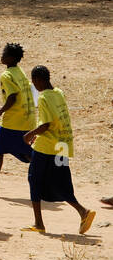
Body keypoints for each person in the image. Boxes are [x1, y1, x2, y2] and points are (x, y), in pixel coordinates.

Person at [23, 66, 96, 235]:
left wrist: (29, 135)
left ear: (39, 80)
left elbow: (46, 124)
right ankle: (82, 211)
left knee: (34, 180)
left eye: (34, 82)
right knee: (60, 181)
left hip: (47, 148)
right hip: (62, 145)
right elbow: (55, 120)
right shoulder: (58, 92)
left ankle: (39, 223)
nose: (35, 86)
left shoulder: (44, 98)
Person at [0, 43, 34, 196]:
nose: (2, 56)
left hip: (13, 122)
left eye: (5, 54)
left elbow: (12, 97)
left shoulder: (6, 75)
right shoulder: (20, 72)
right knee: (27, 152)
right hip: (27, 120)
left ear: (12, 58)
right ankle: (50, 177)